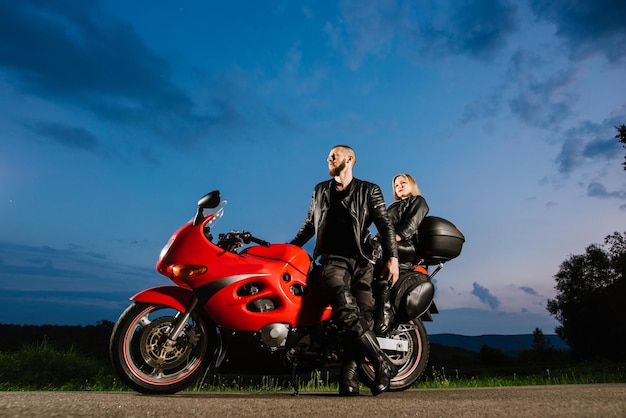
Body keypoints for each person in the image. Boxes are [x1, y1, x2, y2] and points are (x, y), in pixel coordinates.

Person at [290, 145, 399, 396]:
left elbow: (384, 224)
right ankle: (382, 362)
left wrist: (392, 257)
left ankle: (348, 379)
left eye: (334, 155)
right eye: (328, 155)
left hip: (361, 261)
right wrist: (287, 248)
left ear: (349, 159)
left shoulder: (368, 190)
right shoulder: (320, 190)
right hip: (332, 260)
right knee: (343, 303)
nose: (329, 158)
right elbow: (309, 225)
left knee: (365, 314)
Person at [373, 174, 434, 335]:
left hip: (407, 245)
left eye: (403, 183)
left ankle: (385, 311)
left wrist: (389, 242)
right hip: (390, 243)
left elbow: (409, 226)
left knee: (376, 250)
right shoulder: (393, 206)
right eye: (395, 185)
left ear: (412, 184)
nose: (398, 186)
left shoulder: (418, 201)